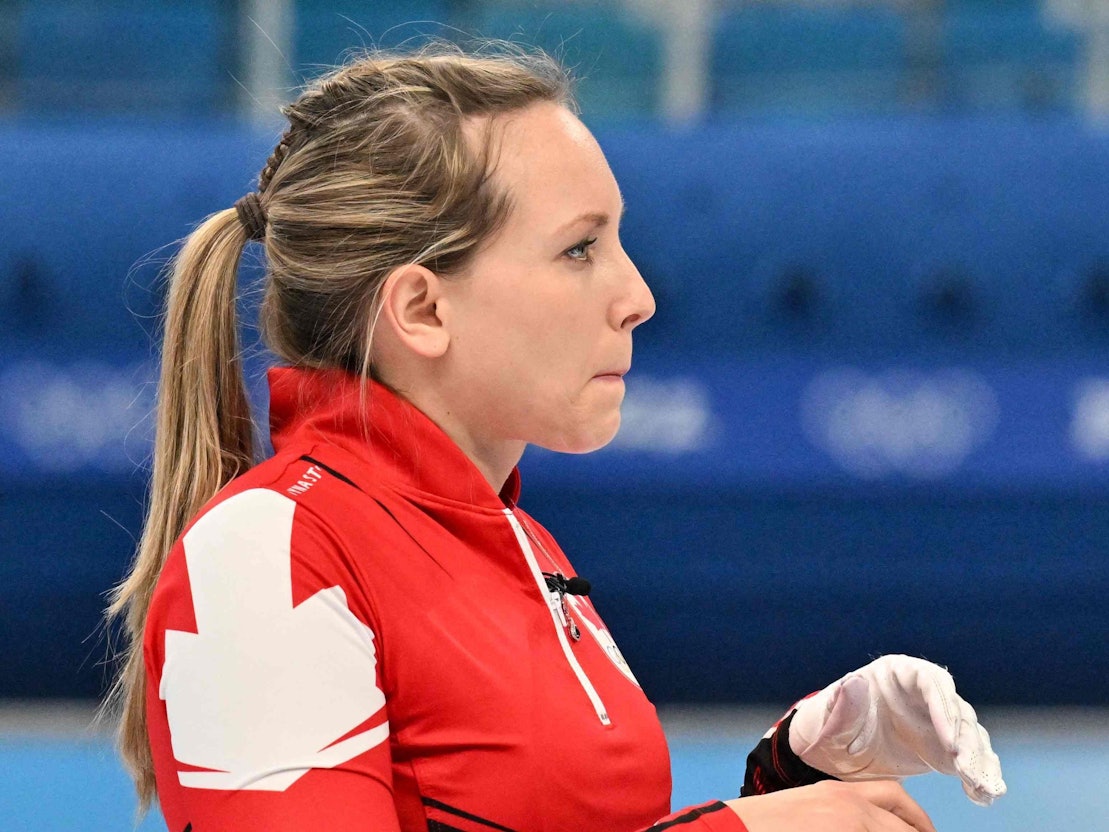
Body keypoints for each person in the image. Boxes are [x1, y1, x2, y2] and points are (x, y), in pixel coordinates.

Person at [106, 44, 1003, 832]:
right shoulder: (273, 550)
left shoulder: (517, 543)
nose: (636, 296)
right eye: (580, 249)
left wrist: (795, 774)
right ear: (421, 307)